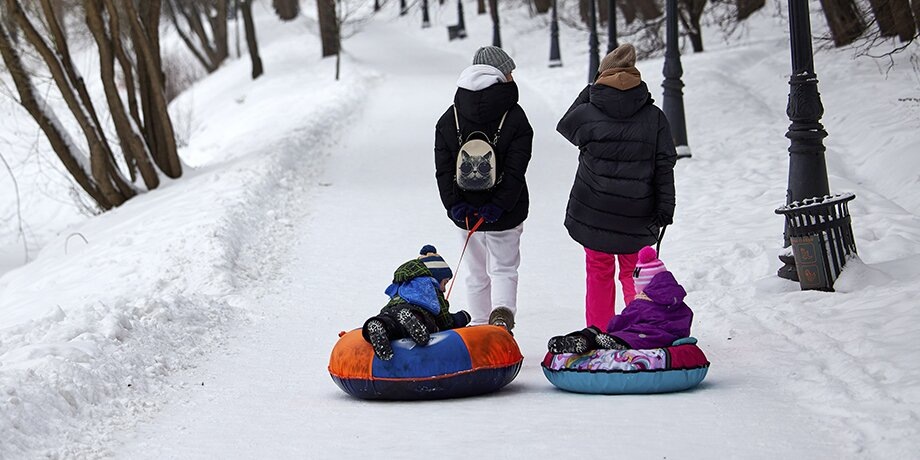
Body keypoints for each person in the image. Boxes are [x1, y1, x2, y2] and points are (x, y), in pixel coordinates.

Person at [555, 43, 677, 329]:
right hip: (638, 209)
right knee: (633, 273)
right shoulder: (654, 117)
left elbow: (566, 126)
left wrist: (589, 91)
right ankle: (641, 330)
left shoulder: (588, 111)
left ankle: (598, 333)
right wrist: (665, 207)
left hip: (593, 207)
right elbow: (664, 165)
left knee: (598, 270)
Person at [434, 46, 534, 332]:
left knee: (475, 272)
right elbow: (517, 169)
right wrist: (501, 203)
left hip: (465, 211)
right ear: (501, 75)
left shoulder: (449, 117)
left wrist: (454, 205)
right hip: (506, 210)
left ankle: (479, 326)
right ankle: (501, 321)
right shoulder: (515, 117)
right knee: (504, 268)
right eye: (510, 72)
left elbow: (443, 169)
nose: (513, 77)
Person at [547, 246, 692, 354]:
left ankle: (586, 336)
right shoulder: (679, 303)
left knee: (616, 334)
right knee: (629, 262)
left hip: (642, 335)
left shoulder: (641, 305)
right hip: (662, 337)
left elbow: (621, 322)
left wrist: (611, 327)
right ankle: (594, 339)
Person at [362, 245, 471, 361]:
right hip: (417, 311)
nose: (444, 289)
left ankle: (379, 324)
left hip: (392, 309)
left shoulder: (404, 284)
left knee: (392, 325)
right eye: (444, 283)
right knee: (428, 322)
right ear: (435, 278)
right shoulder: (432, 288)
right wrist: (461, 318)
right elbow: (445, 321)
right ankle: (415, 320)